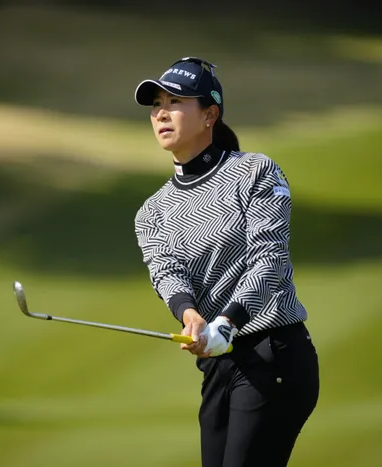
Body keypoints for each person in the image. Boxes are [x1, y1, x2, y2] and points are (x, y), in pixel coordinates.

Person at [132, 57, 320, 467]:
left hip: (273, 352)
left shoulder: (254, 172)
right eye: (156, 105)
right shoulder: (152, 212)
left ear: (210, 115)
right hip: (219, 365)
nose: (161, 113)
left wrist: (227, 321)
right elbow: (166, 272)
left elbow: (269, 257)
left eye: (175, 102)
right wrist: (190, 315)